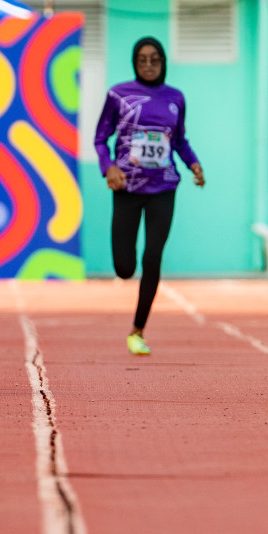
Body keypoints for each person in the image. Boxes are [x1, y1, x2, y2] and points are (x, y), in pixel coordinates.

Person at [94, 36, 204, 356]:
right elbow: (101, 139)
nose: (149, 64)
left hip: (164, 186)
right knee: (125, 268)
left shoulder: (176, 98)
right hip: (128, 187)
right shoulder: (119, 94)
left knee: (153, 256)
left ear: (164, 61)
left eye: (154, 58)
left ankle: (138, 329)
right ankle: (127, 278)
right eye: (142, 59)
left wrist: (194, 163)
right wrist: (108, 168)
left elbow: (179, 140)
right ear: (134, 62)